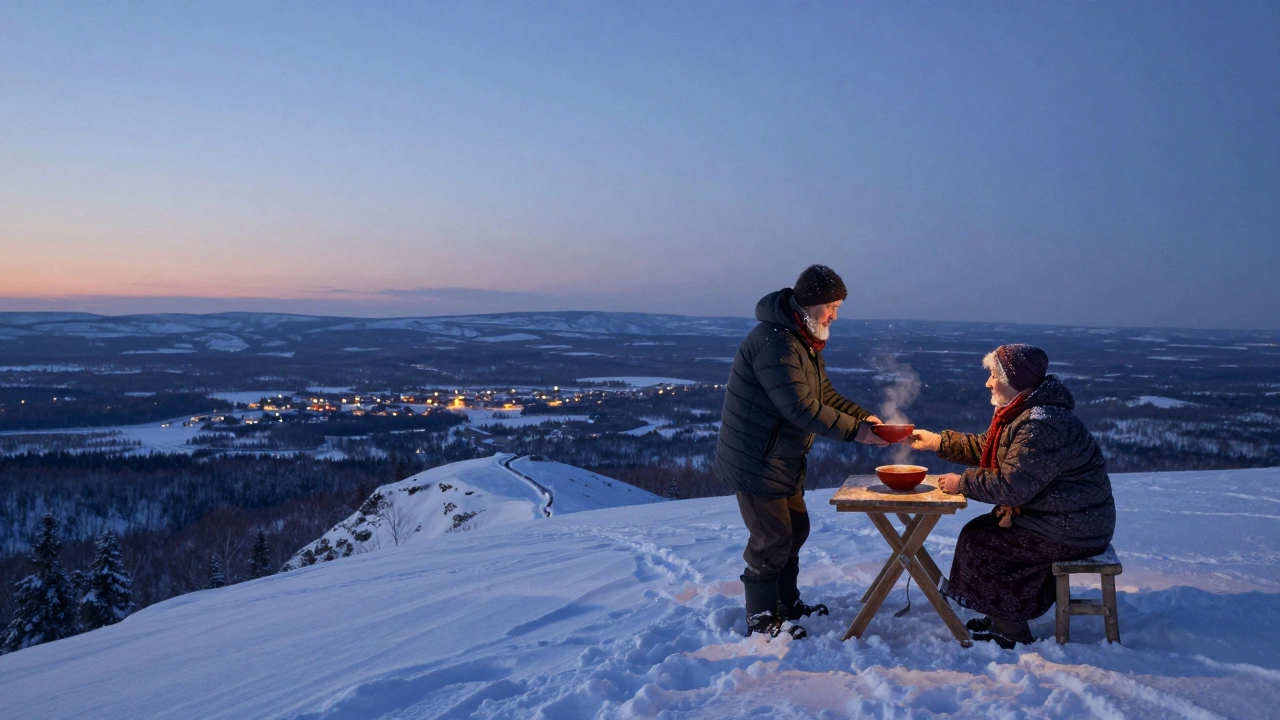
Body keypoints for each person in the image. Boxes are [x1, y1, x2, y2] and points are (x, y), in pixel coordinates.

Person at [715, 264, 890, 638]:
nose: (835, 316)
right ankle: (762, 620)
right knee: (771, 540)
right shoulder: (774, 343)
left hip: (781, 458)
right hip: (757, 460)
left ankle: (786, 603)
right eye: (833, 307)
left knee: (795, 530)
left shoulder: (801, 341)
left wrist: (865, 418)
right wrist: (856, 433)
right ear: (812, 304)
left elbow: (823, 395)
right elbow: (800, 408)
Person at [909, 344, 1115, 648]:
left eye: (994, 375)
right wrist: (938, 442)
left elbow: (1013, 485)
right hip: (1065, 518)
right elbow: (991, 451)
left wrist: (962, 483)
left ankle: (1011, 630)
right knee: (981, 533)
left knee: (983, 543)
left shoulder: (1042, 423)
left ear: (1015, 379)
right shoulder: (1024, 413)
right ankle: (1001, 614)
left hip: (1076, 527)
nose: (988, 383)